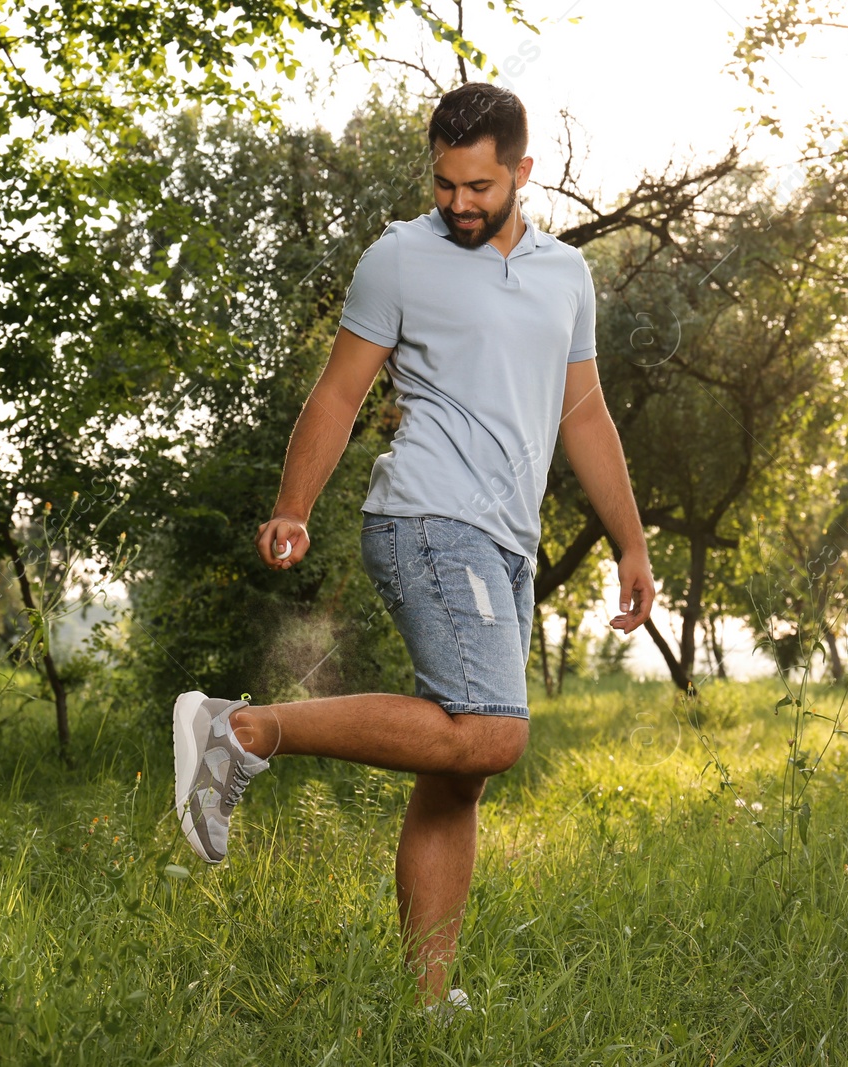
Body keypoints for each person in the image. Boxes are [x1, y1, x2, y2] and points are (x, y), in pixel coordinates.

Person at [172, 81, 655, 1011]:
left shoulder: (565, 275)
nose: (459, 205)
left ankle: (430, 1002)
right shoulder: (400, 256)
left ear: (521, 170)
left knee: (457, 772)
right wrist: (293, 503)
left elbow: (584, 411)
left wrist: (629, 542)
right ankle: (241, 728)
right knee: (493, 733)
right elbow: (341, 391)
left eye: (478, 187)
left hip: (507, 542)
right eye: (445, 185)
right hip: (430, 515)